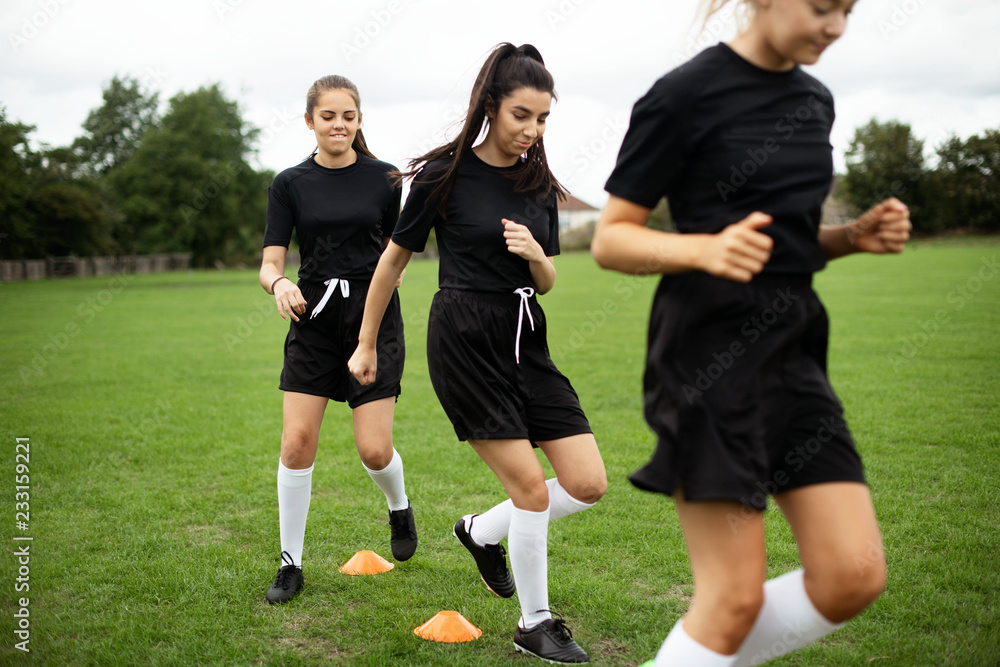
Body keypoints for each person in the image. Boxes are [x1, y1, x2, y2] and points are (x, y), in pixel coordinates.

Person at [591, 1, 910, 664]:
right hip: (708, 355)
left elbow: (783, 240)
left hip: (795, 350)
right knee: (730, 601)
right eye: (823, 7)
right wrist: (701, 250)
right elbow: (611, 239)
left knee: (854, 573)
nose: (836, 27)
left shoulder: (815, 100)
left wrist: (850, 238)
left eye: (848, 11)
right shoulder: (683, 94)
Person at [348, 43, 606, 664]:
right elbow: (392, 263)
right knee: (532, 492)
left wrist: (536, 256)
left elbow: (545, 281)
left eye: (542, 119)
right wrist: (365, 343)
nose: (532, 131)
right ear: (491, 105)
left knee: (588, 483)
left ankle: (479, 532)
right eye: (522, 115)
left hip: (526, 338)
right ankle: (534, 625)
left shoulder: (539, 183)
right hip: (464, 339)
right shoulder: (444, 176)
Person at [258, 75, 416, 605]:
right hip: (314, 322)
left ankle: (398, 504)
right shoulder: (289, 183)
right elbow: (270, 262)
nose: (339, 124)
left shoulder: (387, 179)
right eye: (328, 116)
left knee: (374, 450)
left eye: (348, 115)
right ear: (310, 121)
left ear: (359, 119)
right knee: (296, 444)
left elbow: (399, 254)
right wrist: (279, 283)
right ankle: (290, 564)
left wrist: (380, 298)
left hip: (372, 321)